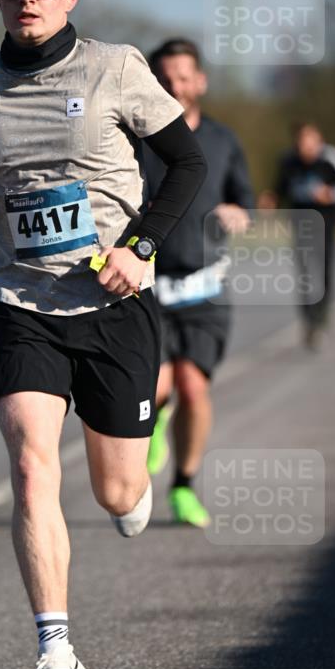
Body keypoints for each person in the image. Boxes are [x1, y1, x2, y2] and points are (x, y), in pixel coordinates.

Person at [0, 0, 206, 669]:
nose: (28, 0)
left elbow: (187, 164)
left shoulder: (115, 67)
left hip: (113, 305)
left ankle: (136, 487)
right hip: (21, 305)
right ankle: (55, 653)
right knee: (28, 465)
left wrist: (140, 246)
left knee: (115, 493)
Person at [142, 38, 254, 527]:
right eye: (165, 78)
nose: (175, 86)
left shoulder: (224, 140)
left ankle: (183, 486)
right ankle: (155, 417)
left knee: (193, 385)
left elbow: (244, 200)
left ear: (200, 81)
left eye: (183, 77)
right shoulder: (133, 139)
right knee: (159, 383)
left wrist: (236, 212)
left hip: (204, 287)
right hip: (147, 286)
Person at [268, 122, 335, 349]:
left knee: (325, 270)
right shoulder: (289, 161)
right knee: (306, 274)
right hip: (301, 224)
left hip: (327, 224)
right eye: (301, 142)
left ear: (319, 141)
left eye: (310, 142)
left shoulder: (331, 158)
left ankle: (321, 315)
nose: (305, 147)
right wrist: (271, 200)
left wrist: (331, 194)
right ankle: (309, 322)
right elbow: (279, 188)